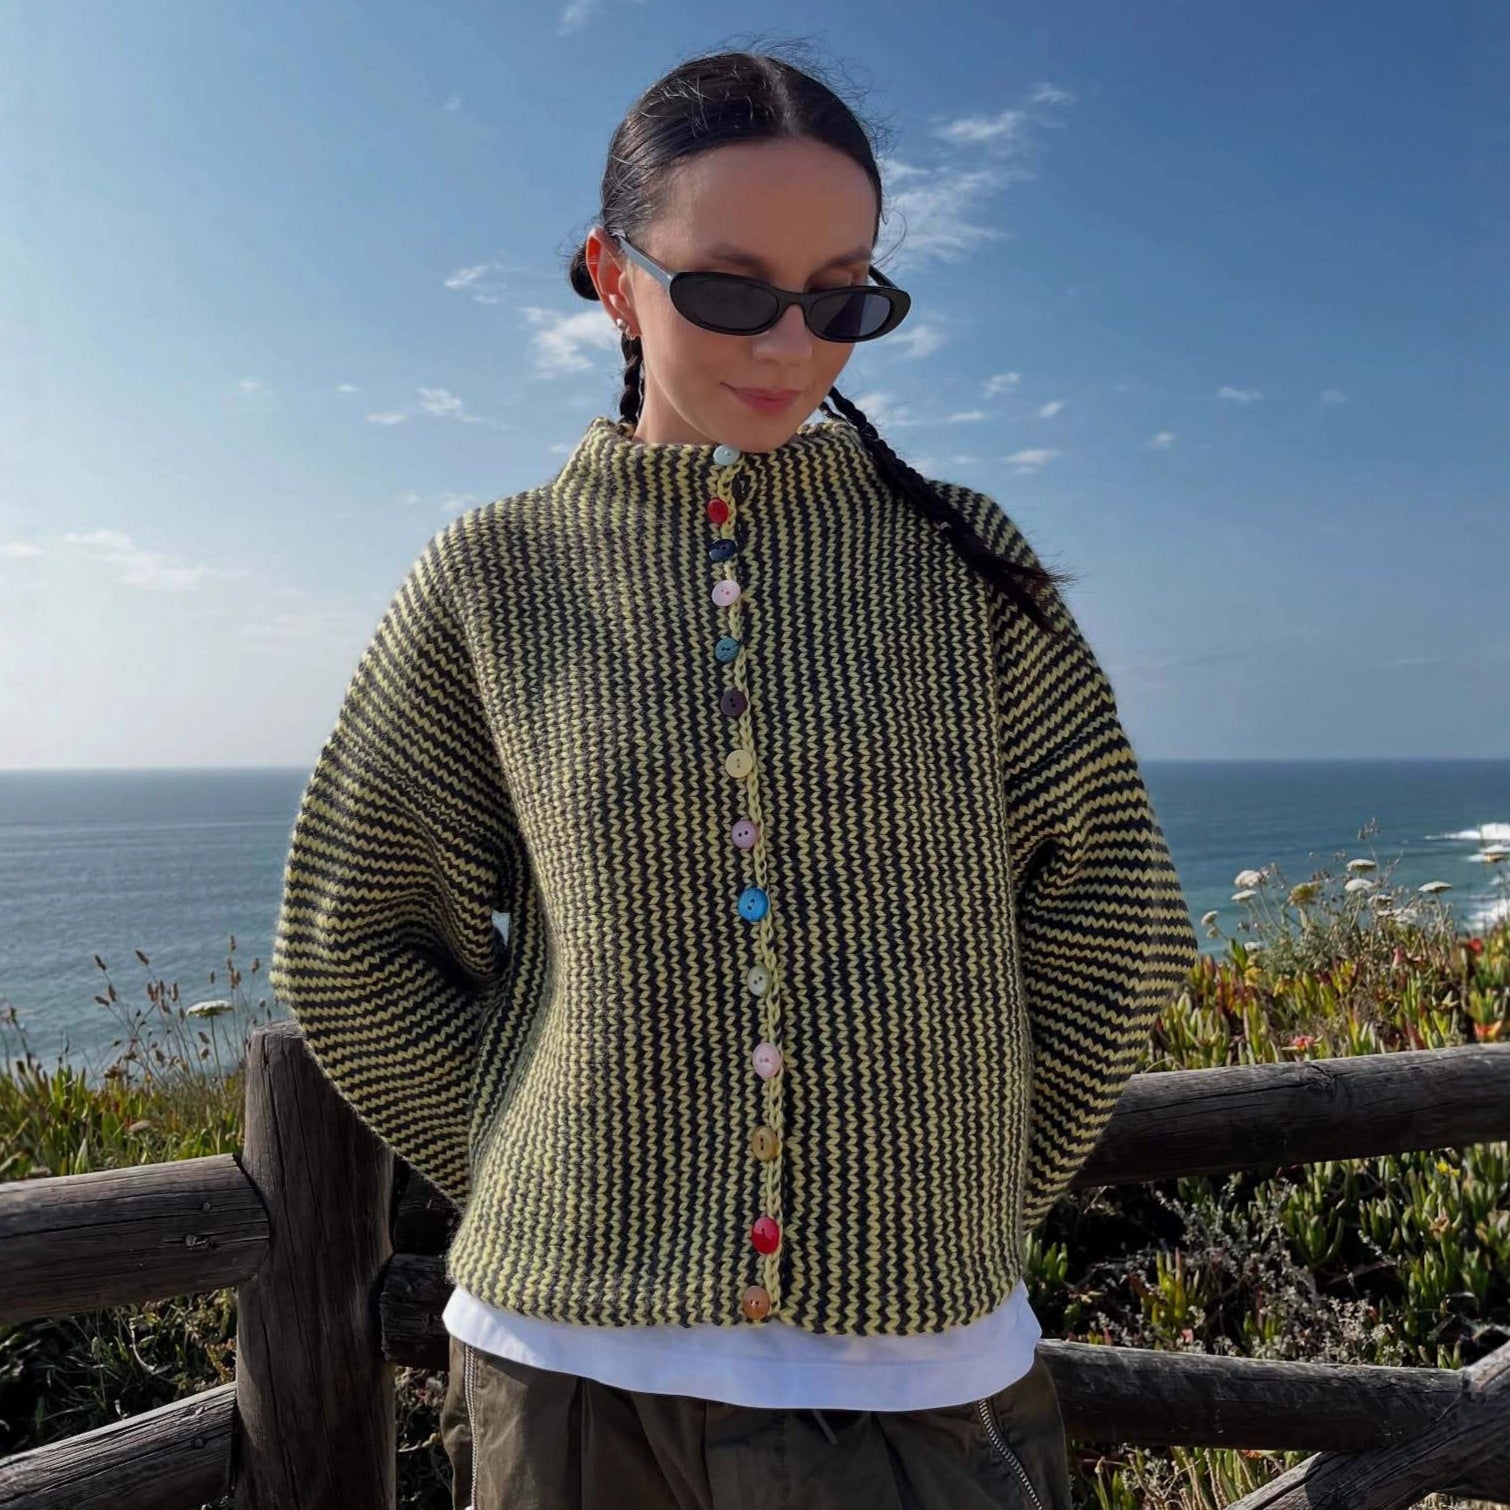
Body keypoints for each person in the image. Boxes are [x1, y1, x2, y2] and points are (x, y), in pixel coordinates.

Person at [269, 44, 1198, 1510]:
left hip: (918, 1389)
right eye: (729, 289)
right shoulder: (495, 578)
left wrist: (951, 1189)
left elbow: (1117, 917)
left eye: (842, 297)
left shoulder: (958, 564)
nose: (789, 343)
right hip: (564, 1384)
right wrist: (549, 1162)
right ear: (612, 275)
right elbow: (349, 939)